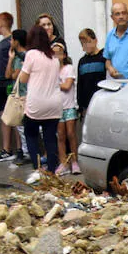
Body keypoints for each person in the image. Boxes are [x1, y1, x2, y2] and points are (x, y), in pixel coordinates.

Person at [17, 25, 61, 181]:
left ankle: (37, 169)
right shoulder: (54, 57)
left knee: (31, 134)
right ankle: (52, 171)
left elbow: (23, 79)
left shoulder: (31, 54)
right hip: (54, 104)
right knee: (50, 138)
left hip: (36, 103)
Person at [0, 12, 21, 163]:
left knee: (7, 117)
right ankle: (20, 149)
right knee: (15, 116)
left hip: (4, 83)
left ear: (1, 24)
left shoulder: (3, 43)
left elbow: (1, 66)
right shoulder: (15, 41)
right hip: (12, 83)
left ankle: (7, 149)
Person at [74, 28, 106, 159]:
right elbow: (80, 84)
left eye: (87, 42)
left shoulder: (104, 57)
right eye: (83, 44)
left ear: (95, 40)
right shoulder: (82, 62)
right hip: (87, 104)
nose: (85, 46)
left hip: (102, 102)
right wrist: (81, 106)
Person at [4, 28, 30, 165]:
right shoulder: (15, 56)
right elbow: (8, 75)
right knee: (20, 126)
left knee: (24, 126)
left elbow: (14, 75)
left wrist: (13, 61)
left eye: (12, 39)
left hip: (25, 94)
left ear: (17, 41)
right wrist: (10, 59)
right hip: (19, 94)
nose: (10, 41)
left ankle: (27, 153)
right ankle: (25, 152)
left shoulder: (25, 56)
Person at [53, 41, 77, 175]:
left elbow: (67, 86)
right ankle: (63, 163)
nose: (56, 56)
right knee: (60, 136)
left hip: (69, 106)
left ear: (64, 55)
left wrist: (54, 84)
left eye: (59, 54)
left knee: (71, 134)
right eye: (54, 54)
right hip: (56, 107)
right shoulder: (50, 71)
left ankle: (74, 161)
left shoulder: (69, 68)